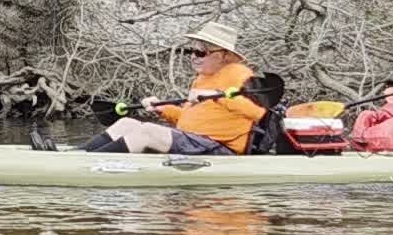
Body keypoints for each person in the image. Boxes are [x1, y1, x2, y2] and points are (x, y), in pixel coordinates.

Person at [81, 21, 266, 154]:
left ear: (222, 55)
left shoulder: (239, 73)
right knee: (127, 123)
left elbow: (258, 112)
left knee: (147, 131)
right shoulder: (202, 79)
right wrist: (162, 108)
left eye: (200, 52)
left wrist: (216, 95)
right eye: (191, 51)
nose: (193, 56)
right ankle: (75, 157)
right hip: (193, 140)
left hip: (218, 146)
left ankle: (86, 165)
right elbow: (186, 120)